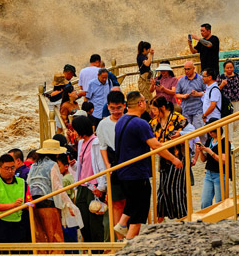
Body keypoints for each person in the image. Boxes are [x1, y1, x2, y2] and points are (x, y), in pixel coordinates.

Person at [112, 92, 183, 240]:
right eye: (144, 101)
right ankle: (129, 243)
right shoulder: (140, 123)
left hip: (123, 172)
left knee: (133, 202)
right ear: (140, 104)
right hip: (136, 172)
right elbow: (155, 145)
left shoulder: (120, 121)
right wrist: (174, 159)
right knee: (140, 211)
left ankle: (123, 224)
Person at [26, 140, 74, 256]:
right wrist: (69, 204)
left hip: (34, 205)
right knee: (56, 239)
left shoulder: (34, 165)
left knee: (41, 240)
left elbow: (28, 182)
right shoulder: (52, 165)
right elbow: (57, 186)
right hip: (48, 204)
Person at [149, 97, 189, 220]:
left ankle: (183, 217)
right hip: (163, 157)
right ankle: (160, 218)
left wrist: (180, 134)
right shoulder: (154, 122)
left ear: (162, 108)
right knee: (162, 190)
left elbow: (192, 131)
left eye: (154, 109)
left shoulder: (178, 118)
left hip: (178, 156)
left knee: (173, 188)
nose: (153, 112)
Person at [72, 115, 108, 242]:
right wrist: (73, 164)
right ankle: (89, 250)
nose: (73, 132)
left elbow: (101, 165)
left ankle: (97, 252)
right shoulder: (81, 143)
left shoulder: (96, 143)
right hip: (83, 186)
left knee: (95, 222)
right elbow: (83, 166)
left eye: (75, 129)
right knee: (82, 220)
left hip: (93, 187)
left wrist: (101, 187)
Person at [97, 90, 127, 232]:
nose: (116, 111)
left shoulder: (129, 120)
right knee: (116, 202)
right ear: (108, 107)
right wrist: (108, 165)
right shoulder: (103, 124)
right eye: (112, 108)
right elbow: (102, 147)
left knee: (130, 200)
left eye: (119, 108)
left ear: (124, 106)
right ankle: (119, 238)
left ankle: (132, 233)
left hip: (128, 159)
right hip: (113, 161)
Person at [197, 123, 232, 209]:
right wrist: (201, 151)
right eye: (209, 131)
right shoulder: (209, 141)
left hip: (220, 174)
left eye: (212, 131)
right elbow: (203, 159)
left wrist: (211, 152)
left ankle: (220, 220)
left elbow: (223, 160)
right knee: (205, 202)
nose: (210, 133)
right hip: (209, 173)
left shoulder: (225, 142)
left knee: (220, 202)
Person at [175, 61, 206, 129]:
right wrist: (183, 96)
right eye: (185, 69)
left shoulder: (201, 79)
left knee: (200, 130)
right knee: (186, 130)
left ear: (193, 68)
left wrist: (198, 94)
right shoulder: (181, 80)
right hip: (186, 109)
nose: (186, 71)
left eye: (188, 69)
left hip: (198, 109)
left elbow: (206, 91)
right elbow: (177, 94)